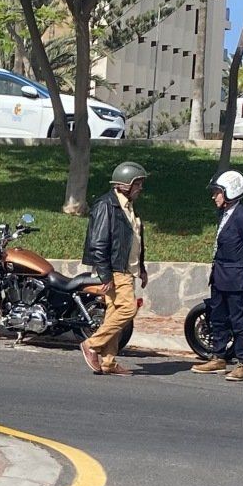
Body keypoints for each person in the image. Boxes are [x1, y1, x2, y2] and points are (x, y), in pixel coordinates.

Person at [79, 160, 149, 375]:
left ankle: (108, 362)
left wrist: (142, 268)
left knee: (114, 314)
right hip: (116, 270)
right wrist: (105, 274)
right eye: (137, 184)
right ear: (125, 184)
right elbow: (98, 242)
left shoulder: (126, 206)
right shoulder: (106, 205)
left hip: (127, 269)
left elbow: (135, 239)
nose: (140, 189)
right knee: (128, 309)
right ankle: (91, 344)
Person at [193, 169, 243, 381]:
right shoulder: (224, 213)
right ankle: (219, 357)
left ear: (230, 192)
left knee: (238, 320)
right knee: (218, 317)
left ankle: (242, 363)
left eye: (217, 192)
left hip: (236, 277)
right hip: (220, 274)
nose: (214, 196)